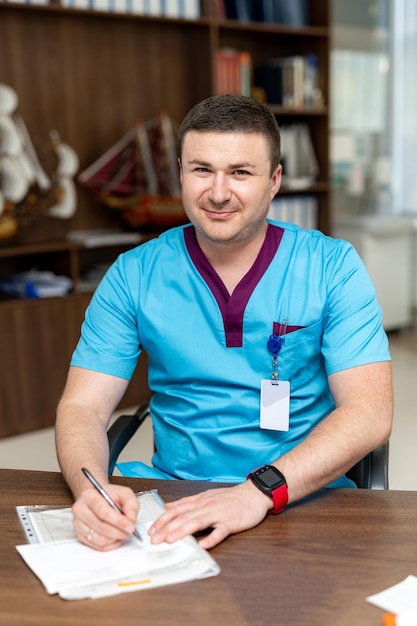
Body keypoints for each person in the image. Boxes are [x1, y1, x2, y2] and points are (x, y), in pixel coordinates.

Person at [55, 94, 393, 552]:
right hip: (177, 495)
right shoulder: (134, 274)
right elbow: (83, 408)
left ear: (274, 180)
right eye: (201, 170)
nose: (217, 193)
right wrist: (90, 490)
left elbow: (370, 413)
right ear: (180, 172)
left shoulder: (332, 267)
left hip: (298, 492)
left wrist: (257, 491)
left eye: (240, 172)